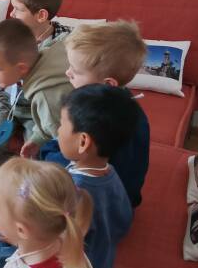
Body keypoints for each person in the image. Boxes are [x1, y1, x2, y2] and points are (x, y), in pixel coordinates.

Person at [0, 85, 138, 268]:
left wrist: (17, 238)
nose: (57, 131)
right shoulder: (111, 174)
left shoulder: (72, 189)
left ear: (83, 142)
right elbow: (124, 222)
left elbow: (45, 241)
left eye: (62, 125)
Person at [40, 21, 149, 207]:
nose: (68, 73)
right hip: (126, 197)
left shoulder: (95, 119)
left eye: (76, 71)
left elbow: (67, 161)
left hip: (99, 203)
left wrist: (43, 153)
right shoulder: (130, 105)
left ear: (107, 84)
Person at [0, 0, 71, 173]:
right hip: (7, 102)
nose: (12, 14)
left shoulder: (64, 41)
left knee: (35, 155)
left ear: (41, 15)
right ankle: (5, 182)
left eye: (18, 9)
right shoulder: (10, 33)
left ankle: (31, 185)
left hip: (35, 108)